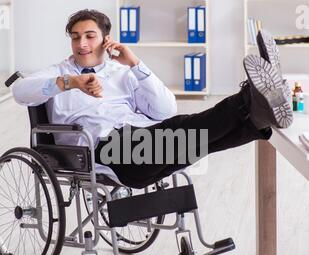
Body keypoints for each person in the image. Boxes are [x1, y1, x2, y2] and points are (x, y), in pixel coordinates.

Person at [12, 9, 293, 189]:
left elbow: (165, 109)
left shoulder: (121, 71)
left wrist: (136, 64)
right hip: (104, 151)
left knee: (204, 141)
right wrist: (70, 83)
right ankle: (250, 99)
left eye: (89, 36)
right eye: (75, 38)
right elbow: (20, 91)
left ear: (106, 39)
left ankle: (256, 117)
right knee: (186, 129)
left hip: (142, 144)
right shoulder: (60, 73)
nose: (82, 44)